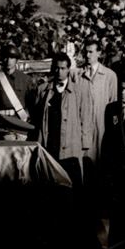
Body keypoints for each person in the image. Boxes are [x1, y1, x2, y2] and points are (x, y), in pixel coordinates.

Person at [33, 52, 92, 189]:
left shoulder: (79, 90)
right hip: (49, 143)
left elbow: (85, 117)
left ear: (68, 69)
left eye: (63, 68)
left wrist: (85, 144)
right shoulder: (43, 90)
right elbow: (37, 117)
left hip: (71, 145)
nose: (59, 72)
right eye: (57, 68)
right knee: (49, 184)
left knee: (71, 183)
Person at [0, 42, 36, 139]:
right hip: (0, 126)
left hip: (20, 125)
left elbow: (32, 106)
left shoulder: (25, 79)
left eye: (12, 58)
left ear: (16, 60)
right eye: (6, 57)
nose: (8, 61)